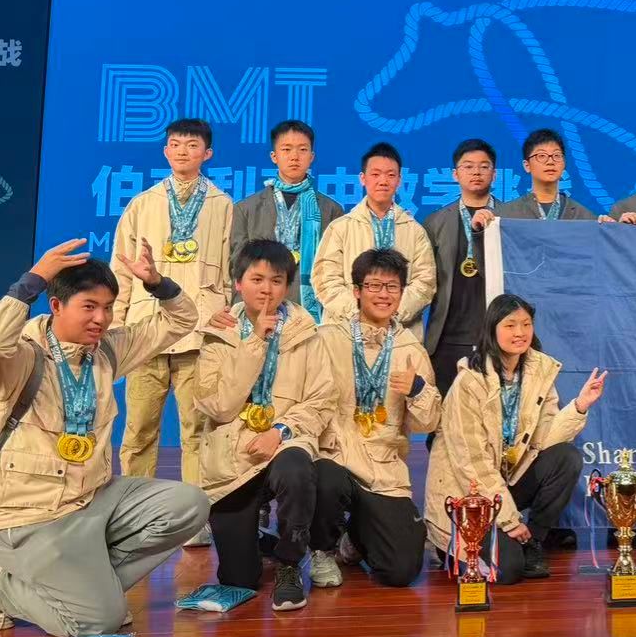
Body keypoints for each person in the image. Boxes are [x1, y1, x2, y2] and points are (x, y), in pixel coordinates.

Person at [0, 238, 211, 637]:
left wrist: (157, 283)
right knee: (97, 624)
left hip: (92, 500)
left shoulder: (107, 351)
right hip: (31, 518)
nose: (101, 319)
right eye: (89, 307)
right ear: (56, 305)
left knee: (189, 505)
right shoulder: (22, 358)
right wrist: (33, 279)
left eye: (108, 307)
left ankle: (94, 589)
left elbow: (181, 321)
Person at [194, 239, 336, 612]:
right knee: (239, 578)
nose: (267, 290)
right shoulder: (219, 334)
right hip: (232, 456)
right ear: (238, 283)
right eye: (256, 279)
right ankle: (258, 538)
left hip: (283, 442)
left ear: (287, 285)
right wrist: (255, 340)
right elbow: (218, 406)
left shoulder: (307, 332)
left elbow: (321, 399)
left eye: (276, 280)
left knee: (297, 468)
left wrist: (280, 431)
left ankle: (289, 563)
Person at [423, 294, 607, 583]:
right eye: (510, 325)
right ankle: (451, 543)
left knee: (566, 458)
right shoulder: (469, 381)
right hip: (468, 490)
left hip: (506, 480)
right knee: (508, 571)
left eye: (526, 324)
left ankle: (533, 541)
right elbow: (471, 462)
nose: (520, 332)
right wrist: (509, 519)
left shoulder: (538, 372)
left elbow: (546, 440)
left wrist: (579, 406)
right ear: (492, 330)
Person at [113, 117, 232, 546]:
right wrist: (116, 326)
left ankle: (193, 517)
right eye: (176, 144)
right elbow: (121, 269)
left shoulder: (222, 205)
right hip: (147, 332)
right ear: (165, 151)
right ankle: (134, 514)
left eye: (192, 144)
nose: (183, 151)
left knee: (196, 431)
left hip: (199, 333)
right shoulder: (142, 204)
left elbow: (231, 271)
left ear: (207, 153)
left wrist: (222, 318)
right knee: (139, 430)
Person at [312, 249, 441, 588]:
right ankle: (321, 549)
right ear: (357, 291)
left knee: (401, 570)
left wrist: (417, 390)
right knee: (325, 479)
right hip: (336, 455)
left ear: (402, 292)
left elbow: (428, 424)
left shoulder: (411, 348)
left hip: (383, 468)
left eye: (392, 287)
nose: (383, 295)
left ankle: (354, 536)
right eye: (374, 285)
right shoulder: (327, 338)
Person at [311, 142, 437, 331]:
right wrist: (361, 314)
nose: (383, 181)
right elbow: (325, 279)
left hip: (399, 332)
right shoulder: (340, 227)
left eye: (390, 175)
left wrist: (390, 312)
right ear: (362, 178)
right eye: (375, 174)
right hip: (346, 330)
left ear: (399, 180)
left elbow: (425, 282)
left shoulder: (414, 230)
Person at [229, 120, 345, 324]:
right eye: (286, 149)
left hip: (312, 312)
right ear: (274, 156)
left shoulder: (331, 210)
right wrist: (239, 314)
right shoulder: (246, 209)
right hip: (259, 311)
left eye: (302, 149)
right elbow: (237, 269)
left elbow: (335, 270)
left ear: (312, 156)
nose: (294, 156)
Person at [422, 139, 499, 398]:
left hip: (496, 336)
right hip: (447, 338)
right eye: (468, 166)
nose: (476, 172)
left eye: (484, 166)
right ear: (455, 174)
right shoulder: (435, 222)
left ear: (494, 174)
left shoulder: (510, 218)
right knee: (444, 414)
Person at [498, 129, 605, 221]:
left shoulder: (584, 216)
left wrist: (606, 226)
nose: (550, 161)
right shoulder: (505, 215)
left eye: (556, 155)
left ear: (564, 163)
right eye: (541, 156)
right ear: (527, 166)